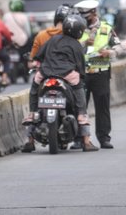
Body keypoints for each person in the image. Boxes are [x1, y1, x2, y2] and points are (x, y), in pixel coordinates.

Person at [31, 14, 99, 152]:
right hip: (67, 74)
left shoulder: (52, 39)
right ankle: (86, 140)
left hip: (46, 73)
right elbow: (80, 67)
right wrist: (82, 76)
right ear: (80, 31)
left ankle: (30, 126)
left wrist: (39, 65)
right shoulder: (76, 45)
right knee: (81, 100)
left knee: (34, 89)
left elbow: (38, 56)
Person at [73, 0, 122, 150]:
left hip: (101, 72)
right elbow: (70, 47)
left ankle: (104, 138)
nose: (83, 18)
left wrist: (109, 52)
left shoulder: (106, 28)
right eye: (81, 15)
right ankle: (78, 139)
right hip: (82, 73)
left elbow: (119, 48)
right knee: (79, 107)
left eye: (85, 15)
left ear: (94, 13)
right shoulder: (76, 29)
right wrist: (83, 44)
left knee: (102, 106)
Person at [21, 4, 70, 152]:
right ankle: (84, 134)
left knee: (34, 96)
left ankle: (30, 137)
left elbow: (33, 58)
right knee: (78, 94)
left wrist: (34, 63)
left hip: (44, 73)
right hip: (66, 74)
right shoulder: (71, 35)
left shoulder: (42, 35)